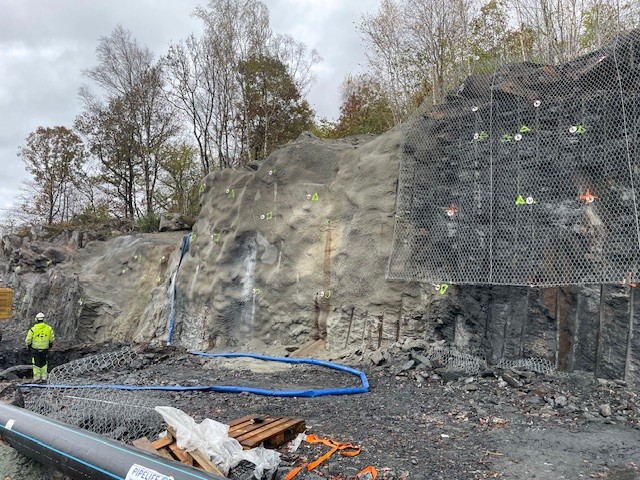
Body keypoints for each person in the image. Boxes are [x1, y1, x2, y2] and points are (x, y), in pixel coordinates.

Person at [25, 312, 55, 381]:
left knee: (36, 363)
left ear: (36, 319)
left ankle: (37, 377)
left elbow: (28, 340)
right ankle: (44, 377)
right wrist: (50, 346)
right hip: (45, 349)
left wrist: (29, 347)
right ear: (44, 319)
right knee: (44, 363)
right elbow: (51, 339)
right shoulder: (49, 329)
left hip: (35, 349)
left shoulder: (33, 329)